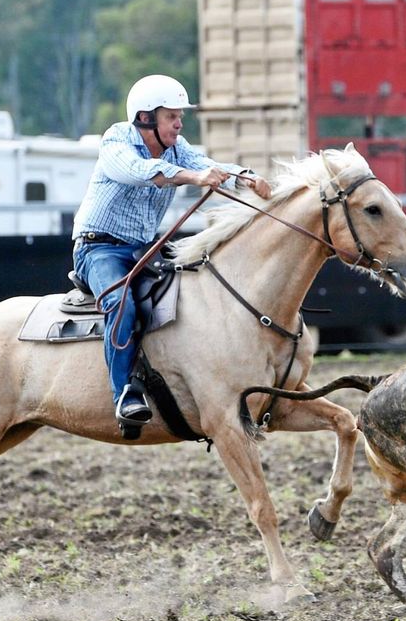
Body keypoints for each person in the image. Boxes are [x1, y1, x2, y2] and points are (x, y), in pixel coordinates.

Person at [71, 74, 272, 427]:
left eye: (180, 117)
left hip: (143, 251)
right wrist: (194, 178)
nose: (179, 124)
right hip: (97, 249)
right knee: (121, 304)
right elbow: (138, 171)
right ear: (146, 118)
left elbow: (204, 164)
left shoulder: (177, 148)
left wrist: (245, 176)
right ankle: (124, 395)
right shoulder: (117, 140)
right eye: (172, 117)